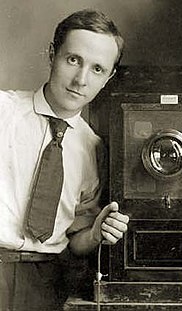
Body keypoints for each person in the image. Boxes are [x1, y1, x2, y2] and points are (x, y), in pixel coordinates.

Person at [0, 9, 129, 311]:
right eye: (73, 60)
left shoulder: (93, 147)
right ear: (52, 54)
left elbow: (75, 240)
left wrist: (95, 234)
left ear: (108, 78)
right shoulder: (3, 111)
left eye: (97, 69)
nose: (81, 80)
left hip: (46, 284)